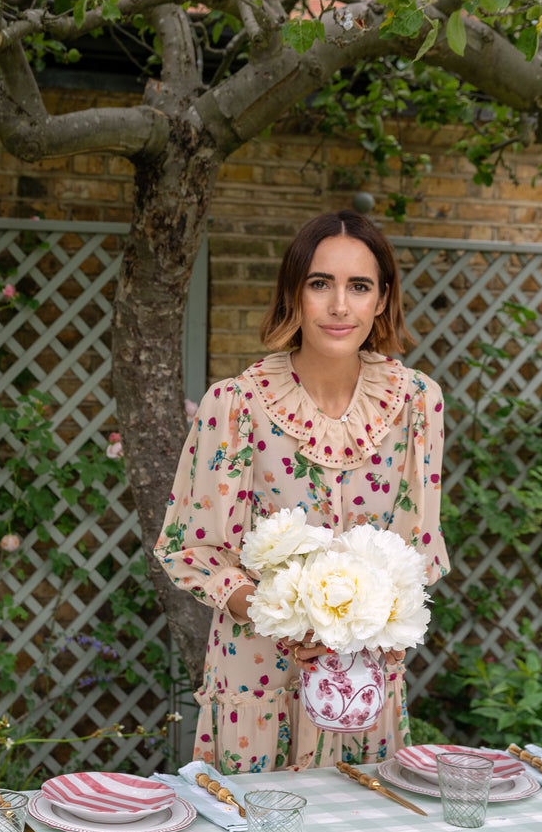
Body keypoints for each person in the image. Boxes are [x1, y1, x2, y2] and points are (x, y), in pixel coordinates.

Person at [154, 209, 449, 773]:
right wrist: (285, 619)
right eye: (320, 284)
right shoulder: (234, 405)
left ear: (382, 300)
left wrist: (379, 624)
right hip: (257, 677)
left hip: (364, 678)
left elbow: (420, 543)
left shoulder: (418, 403)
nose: (340, 306)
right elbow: (191, 549)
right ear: (294, 294)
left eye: (359, 286)